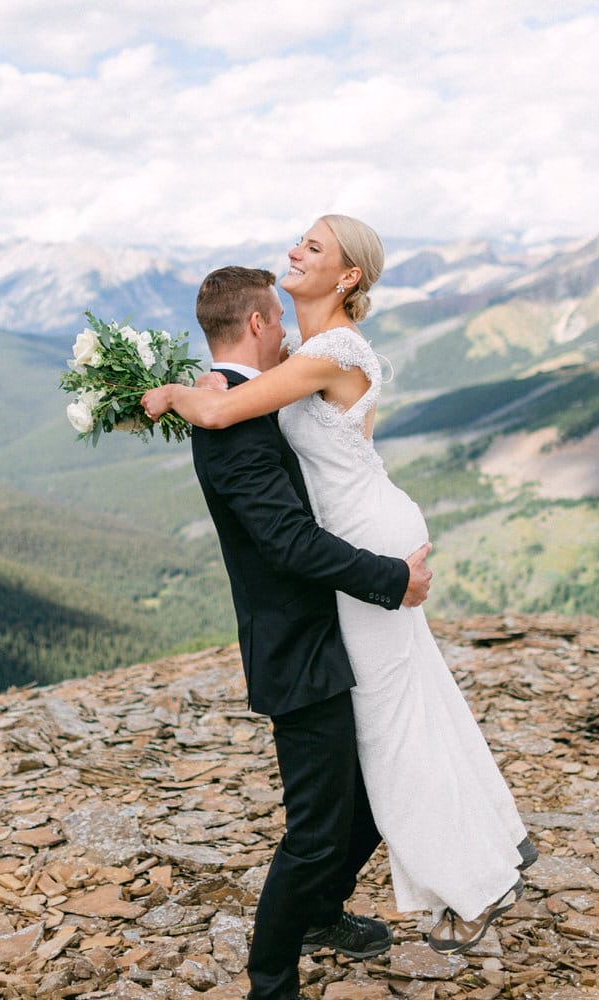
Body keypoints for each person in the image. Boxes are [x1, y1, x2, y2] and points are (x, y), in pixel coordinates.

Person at [143, 216, 535, 960]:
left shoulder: (331, 350)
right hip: (363, 529)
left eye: (314, 248)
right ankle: (377, 888)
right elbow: (279, 406)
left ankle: (467, 884)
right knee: (393, 719)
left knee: (390, 728)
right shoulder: (307, 353)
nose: (295, 251)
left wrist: (166, 393)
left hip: (366, 544)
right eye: (299, 241)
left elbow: (226, 408)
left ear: (348, 276)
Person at [163, 265, 435, 1000]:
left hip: (333, 636)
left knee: (375, 794)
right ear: (255, 325)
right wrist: (389, 578)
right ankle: (271, 980)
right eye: (275, 321)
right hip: (299, 647)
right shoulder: (232, 426)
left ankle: (319, 912)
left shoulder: (230, 400)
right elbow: (288, 544)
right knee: (315, 829)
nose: (285, 330)